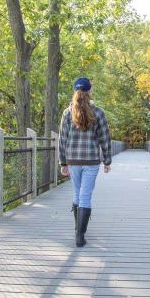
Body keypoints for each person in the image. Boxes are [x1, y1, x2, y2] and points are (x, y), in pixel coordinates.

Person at [58, 77, 112, 247]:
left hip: (73, 160)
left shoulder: (68, 113)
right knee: (85, 195)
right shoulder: (98, 112)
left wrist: (63, 163)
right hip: (91, 161)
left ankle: (77, 229)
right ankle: (80, 236)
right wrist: (107, 160)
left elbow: (62, 140)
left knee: (77, 192)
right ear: (90, 90)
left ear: (75, 91)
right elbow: (105, 138)